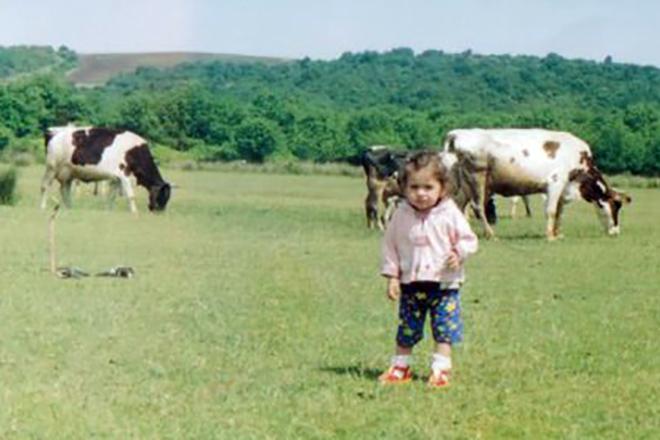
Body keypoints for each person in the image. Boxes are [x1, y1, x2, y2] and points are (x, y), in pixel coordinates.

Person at [378, 150, 478, 388]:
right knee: (407, 328)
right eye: (414, 187)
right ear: (404, 188)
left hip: (444, 284)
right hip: (411, 284)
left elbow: (468, 239)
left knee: (444, 328)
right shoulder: (401, 215)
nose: (421, 194)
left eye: (428, 187)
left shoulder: (449, 213)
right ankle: (400, 367)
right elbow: (390, 246)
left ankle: (441, 369)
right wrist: (392, 276)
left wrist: (458, 253)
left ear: (442, 188)